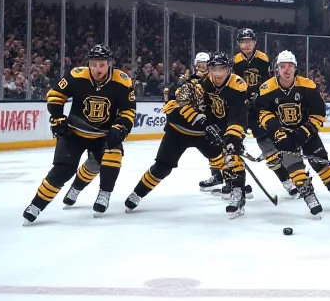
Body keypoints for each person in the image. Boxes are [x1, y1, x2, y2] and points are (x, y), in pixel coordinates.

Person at [22, 45, 136, 225]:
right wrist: (58, 118)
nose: (97, 69)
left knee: (112, 156)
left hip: (102, 135)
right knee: (63, 169)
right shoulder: (77, 75)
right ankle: (36, 205)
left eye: (101, 65)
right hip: (74, 132)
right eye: (93, 64)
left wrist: (120, 128)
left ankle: (103, 194)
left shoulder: (122, 81)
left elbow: (129, 111)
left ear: (110, 64)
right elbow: (55, 95)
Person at [256, 50, 330, 219]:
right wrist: (278, 133)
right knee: (293, 166)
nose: (286, 70)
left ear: (295, 68)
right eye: (282, 66)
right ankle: (308, 195)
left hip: (306, 131)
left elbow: (319, 114)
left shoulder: (308, 85)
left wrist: (305, 132)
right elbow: (264, 114)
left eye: (290, 66)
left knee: (321, 162)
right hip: (284, 134)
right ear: (276, 69)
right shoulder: (267, 88)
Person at [123, 65, 228, 215]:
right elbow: (171, 110)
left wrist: (221, 130)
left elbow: (222, 113)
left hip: (201, 134)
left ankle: (233, 185)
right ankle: (138, 193)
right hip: (178, 133)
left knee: (223, 157)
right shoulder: (184, 85)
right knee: (162, 168)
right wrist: (198, 119)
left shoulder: (219, 89)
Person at [232, 28, 297, 198]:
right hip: (240, 110)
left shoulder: (263, 59)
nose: (246, 45)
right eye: (243, 42)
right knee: (230, 146)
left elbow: (270, 81)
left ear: (255, 43)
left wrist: (260, 96)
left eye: (249, 41)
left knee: (271, 152)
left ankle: (288, 181)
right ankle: (233, 185)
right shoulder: (235, 60)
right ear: (238, 44)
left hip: (258, 109)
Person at [199, 52, 251, 218]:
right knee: (223, 158)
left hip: (236, 122)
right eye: (214, 68)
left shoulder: (237, 84)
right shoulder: (207, 82)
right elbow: (206, 106)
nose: (217, 73)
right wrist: (209, 125)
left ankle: (238, 195)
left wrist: (232, 137)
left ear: (228, 69)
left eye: (221, 69)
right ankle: (232, 185)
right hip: (219, 124)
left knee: (232, 155)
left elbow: (239, 114)